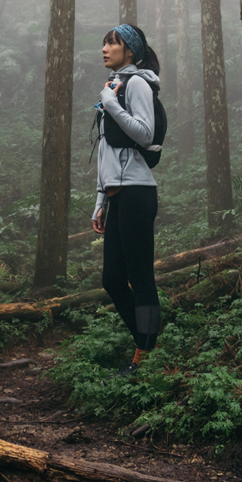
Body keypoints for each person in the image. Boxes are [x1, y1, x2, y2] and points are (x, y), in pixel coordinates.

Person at [91, 24, 162, 377]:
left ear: (129, 51)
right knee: (112, 280)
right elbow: (107, 149)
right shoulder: (115, 85)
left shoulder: (135, 84)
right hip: (118, 196)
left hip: (138, 193)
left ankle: (144, 354)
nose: (104, 48)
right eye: (104, 42)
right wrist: (100, 200)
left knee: (140, 277)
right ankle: (147, 338)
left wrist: (109, 103)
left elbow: (145, 134)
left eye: (112, 43)